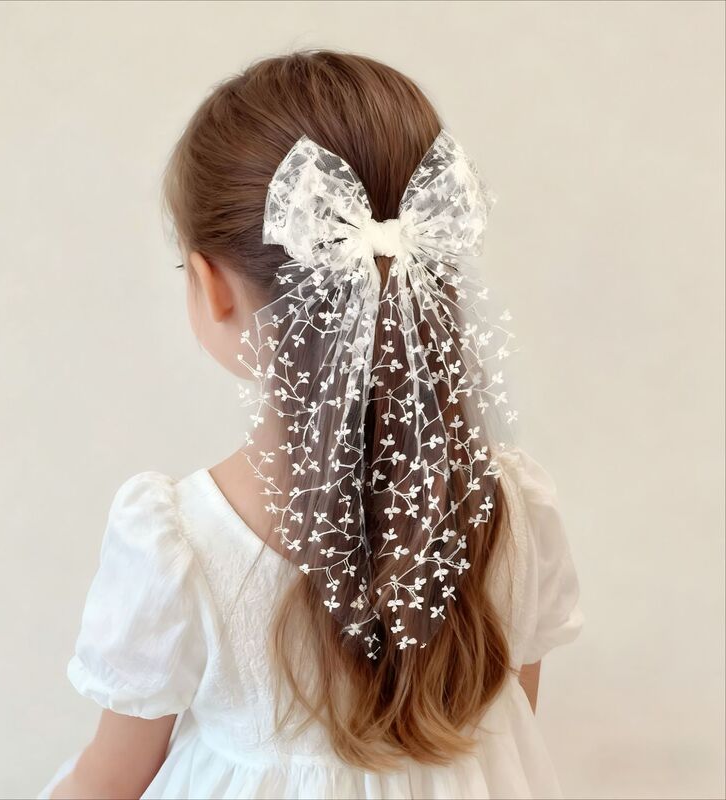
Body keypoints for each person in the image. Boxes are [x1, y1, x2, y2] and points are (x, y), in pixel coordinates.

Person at [38, 49, 583, 800]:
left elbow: (111, 780)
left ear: (210, 286)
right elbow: (513, 735)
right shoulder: (515, 510)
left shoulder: (181, 545)